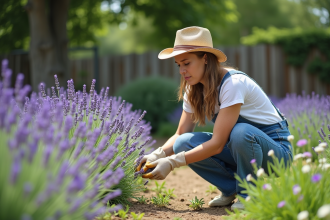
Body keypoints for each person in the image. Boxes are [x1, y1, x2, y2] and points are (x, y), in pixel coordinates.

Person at [136, 26, 292, 210]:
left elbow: (218, 143)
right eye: (179, 65)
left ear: (205, 59)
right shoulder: (193, 88)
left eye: (187, 63)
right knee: (183, 143)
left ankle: (250, 194)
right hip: (241, 147)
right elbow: (180, 133)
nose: (182, 71)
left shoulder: (232, 84)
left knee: (241, 132)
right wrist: (157, 154)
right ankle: (231, 189)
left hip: (276, 153)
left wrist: (172, 162)